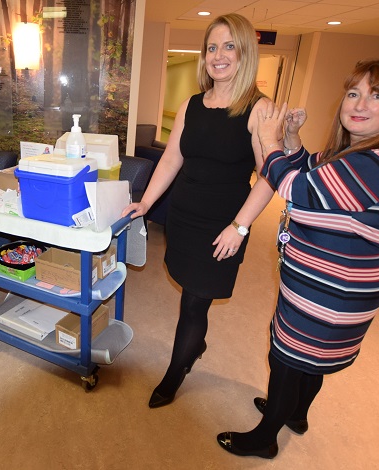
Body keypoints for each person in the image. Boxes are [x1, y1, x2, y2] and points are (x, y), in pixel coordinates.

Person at [217, 59, 379, 459]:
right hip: (338, 284)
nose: (359, 104)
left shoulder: (375, 163)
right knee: (311, 359)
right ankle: (295, 414)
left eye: (376, 95)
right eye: (353, 93)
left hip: (331, 290)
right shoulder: (366, 152)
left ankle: (265, 438)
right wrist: (291, 138)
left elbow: (292, 186)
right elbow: (310, 169)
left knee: (288, 357)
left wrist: (271, 139)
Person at [122, 13, 276, 408]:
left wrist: (239, 228)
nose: (218, 55)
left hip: (224, 225)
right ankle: (195, 344)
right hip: (185, 217)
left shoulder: (259, 109)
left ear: (245, 53)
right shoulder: (193, 104)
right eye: (212, 47)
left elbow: (270, 177)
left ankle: (176, 372)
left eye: (229, 47)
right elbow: (171, 160)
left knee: (193, 302)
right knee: (188, 292)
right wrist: (147, 202)